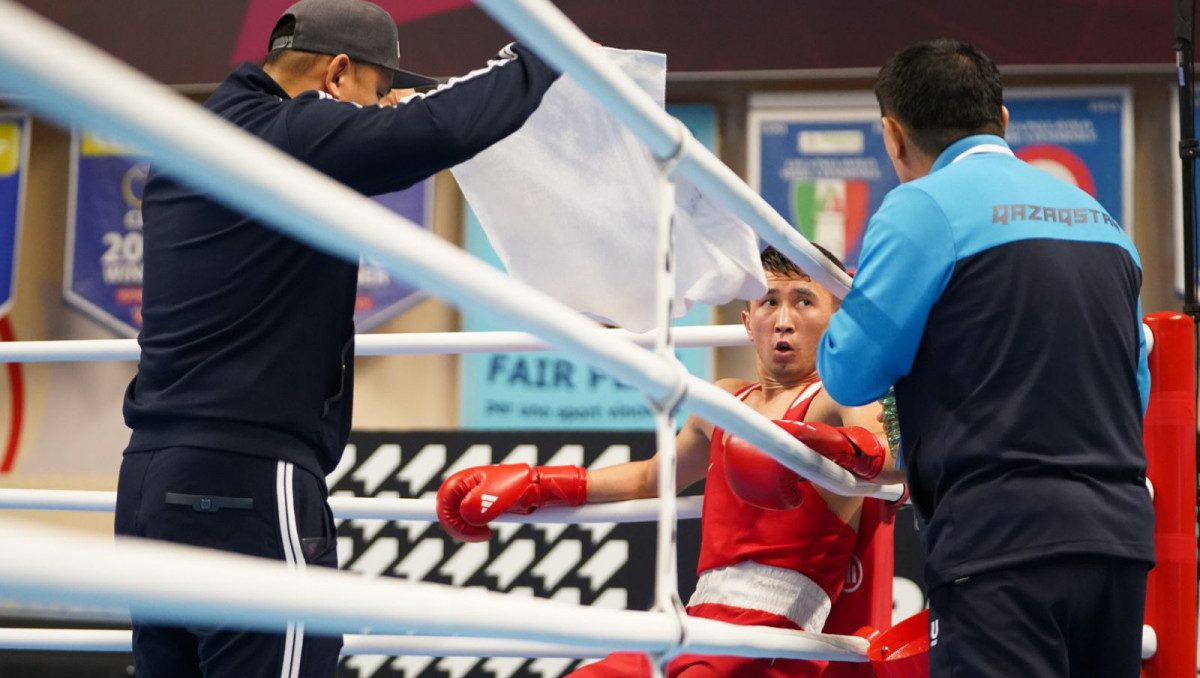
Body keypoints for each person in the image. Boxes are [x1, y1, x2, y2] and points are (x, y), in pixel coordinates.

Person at [114, 1, 559, 676]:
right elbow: (437, 129)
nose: (376, 112)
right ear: (337, 74)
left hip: (148, 481)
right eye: (374, 95)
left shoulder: (198, 140)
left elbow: (407, 118)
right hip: (246, 483)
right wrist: (554, 58)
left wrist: (390, 104)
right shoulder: (290, 131)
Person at [816, 38, 1154, 678]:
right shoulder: (1105, 223)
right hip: (1117, 539)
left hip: (999, 543)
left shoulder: (921, 208)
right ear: (1002, 121)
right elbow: (1128, 390)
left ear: (892, 135)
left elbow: (850, 371)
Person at [437, 246, 898, 678]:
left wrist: (817, 444)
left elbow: (892, 451)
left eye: (803, 301)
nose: (783, 320)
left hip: (772, 639)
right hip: (696, 622)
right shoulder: (722, 400)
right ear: (746, 320)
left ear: (836, 321)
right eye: (769, 302)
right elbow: (649, 477)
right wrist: (537, 485)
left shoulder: (833, 398)